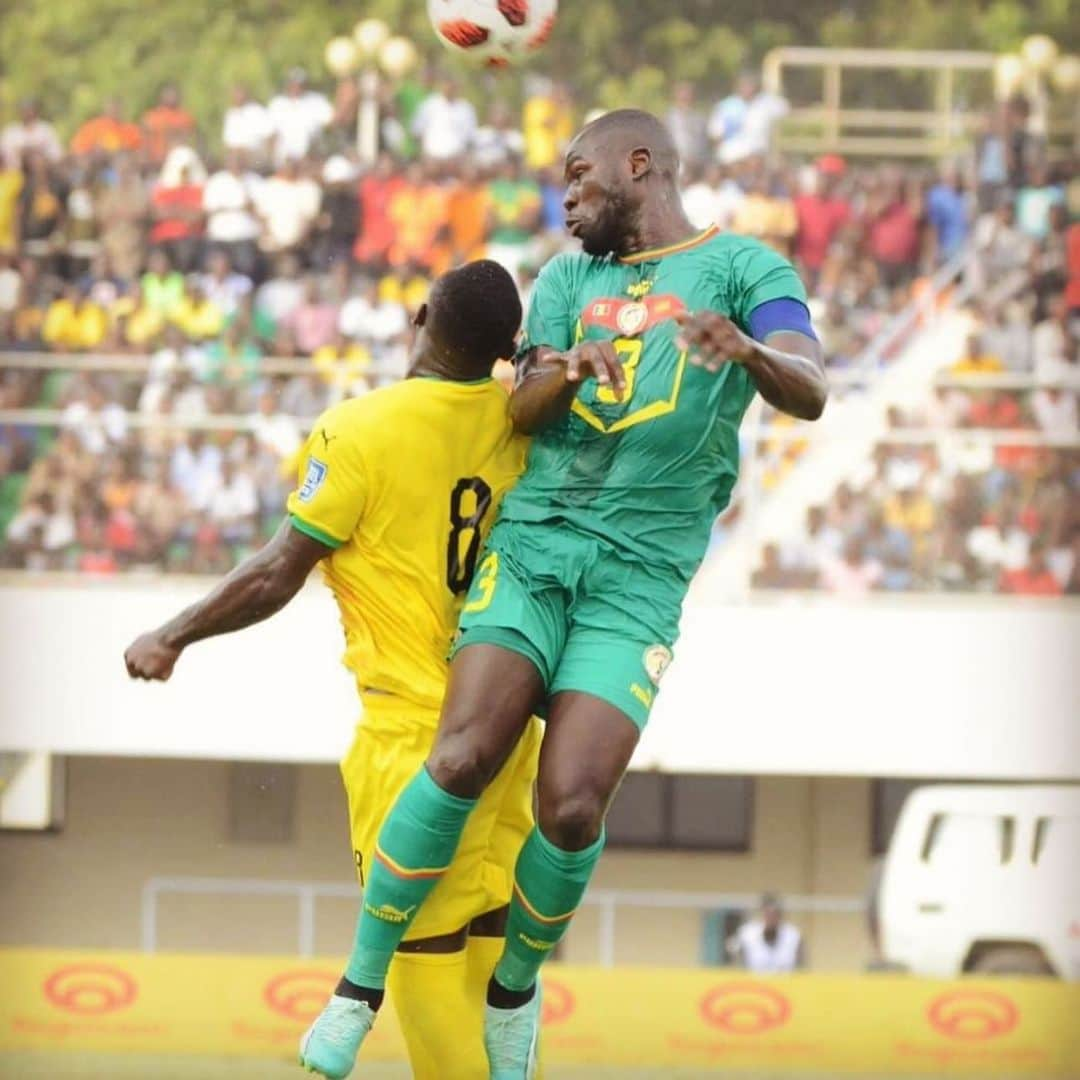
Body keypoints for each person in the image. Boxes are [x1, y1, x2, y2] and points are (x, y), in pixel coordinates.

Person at [319, 108, 826, 1078]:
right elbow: (522, 401)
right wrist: (567, 374)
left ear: (638, 166)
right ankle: (356, 986)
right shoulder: (564, 280)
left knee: (573, 809)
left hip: (638, 580)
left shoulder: (745, 270)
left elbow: (811, 385)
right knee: (463, 753)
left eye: (578, 177)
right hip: (540, 546)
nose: (566, 198)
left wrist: (748, 352)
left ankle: (514, 989)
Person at [123, 260, 540, 1080]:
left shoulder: (360, 429)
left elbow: (280, 570)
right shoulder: (520, 419)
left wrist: (172, 635)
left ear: (418, 317)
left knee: (424, 972)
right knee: (493, 975)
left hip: (417, 744)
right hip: (510, 727)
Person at [727, 893, 806, 972]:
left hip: (786, 982)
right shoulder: (747, 933)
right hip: (753, 982)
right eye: (767, 913)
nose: (771, 918)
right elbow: (734, 958)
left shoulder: (793, 935)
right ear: (761, 913)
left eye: (775, 914)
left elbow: (801, 964)